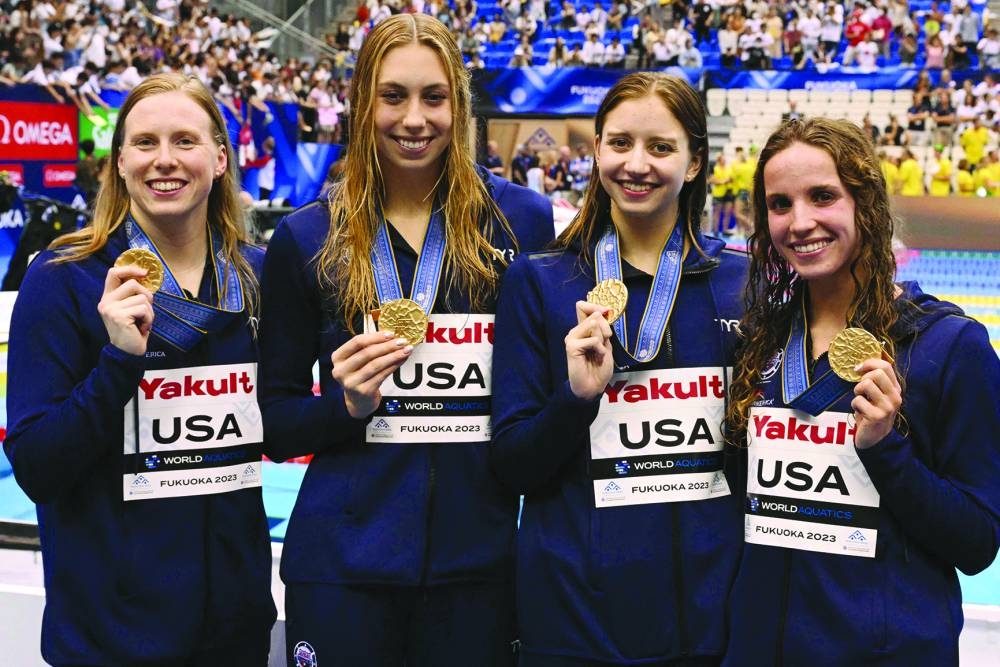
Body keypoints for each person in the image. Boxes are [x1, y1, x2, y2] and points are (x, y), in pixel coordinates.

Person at [257, 14, 553, 667]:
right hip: (342, 568)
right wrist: (344, 407)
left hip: (481, 569)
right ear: (363, 102)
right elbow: (275, 424)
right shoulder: (307, 238)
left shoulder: (521, 221)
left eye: (433, 97)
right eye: (393, 96)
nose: (414, 118)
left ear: (460, 104)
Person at [4, 72, 276, 665]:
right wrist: (119, 362)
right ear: (120, 160)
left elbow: (281, 425)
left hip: (235, 630)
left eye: (186, 140)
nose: (165, 160)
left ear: (221, 158)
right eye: (146, 143)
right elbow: (37, 467)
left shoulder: (258, 278)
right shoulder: (62, 280)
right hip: (110, 638)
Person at [722, 117, 1000, 666]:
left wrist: (885, 450)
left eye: (822, 196)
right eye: (779, 204)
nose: (799, 222)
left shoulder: (950, 346)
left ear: (865, 201)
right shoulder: (758, 340)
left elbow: (977, 543)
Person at [490, 72, 746, 667]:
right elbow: (512, 466)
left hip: (708, 619)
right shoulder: (541, 281)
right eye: (620, 143)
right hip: (574, 619)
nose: (637, 163)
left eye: (661, 147)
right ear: (597, 149)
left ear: (695, 162)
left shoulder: (743, 285)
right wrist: (575, 400)